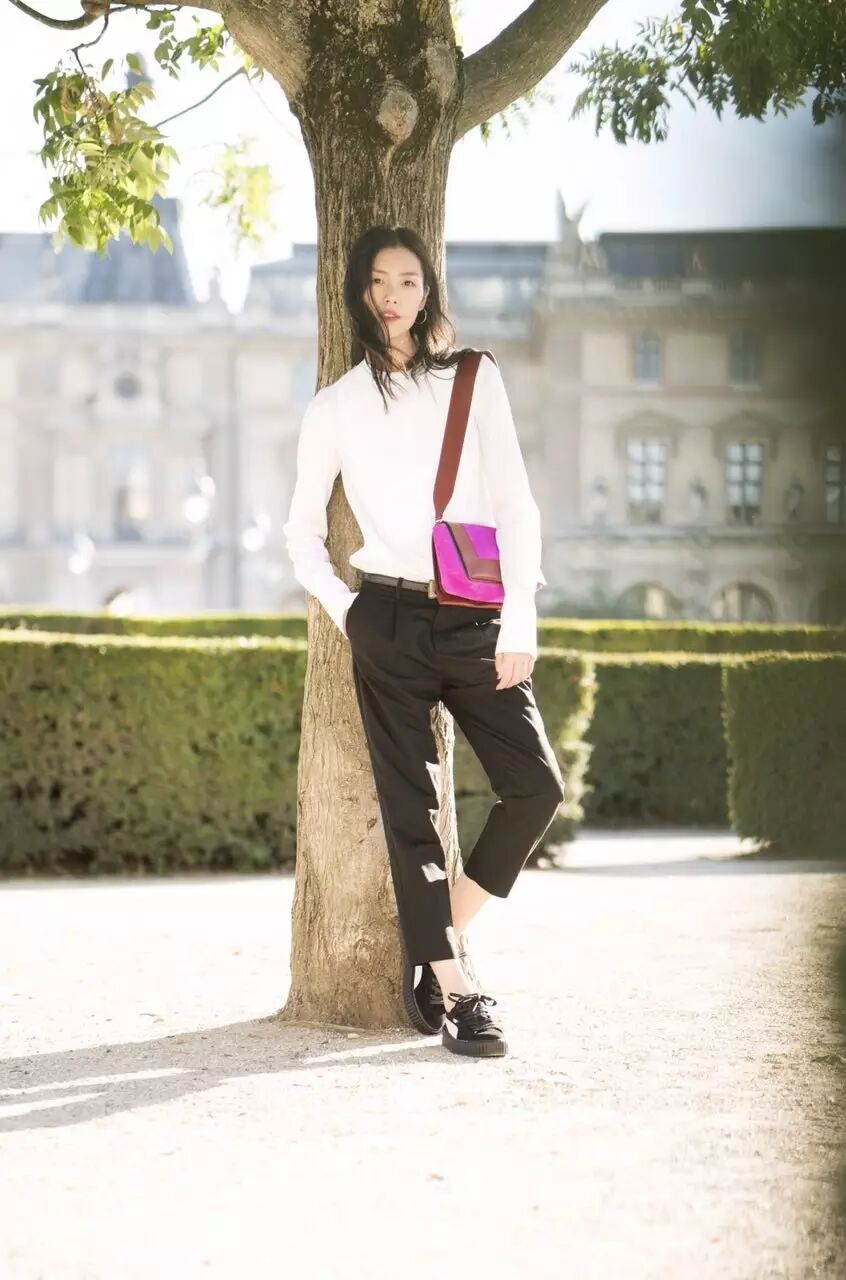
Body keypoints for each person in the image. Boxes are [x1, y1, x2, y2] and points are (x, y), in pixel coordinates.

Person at [282, 224, 566, 1059]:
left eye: (408, 280)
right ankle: (459, 992)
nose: (393, 295)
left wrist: (521, 619)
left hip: (477, 615)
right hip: (388, 621)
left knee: (536, 788)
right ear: (359, 292)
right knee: (414, 811)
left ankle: (438, 942)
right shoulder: (334, 407)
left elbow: (516, 504)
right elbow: (301, 535)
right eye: (379, 280)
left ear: (427, 290)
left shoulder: (474, 378)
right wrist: (349, 613)